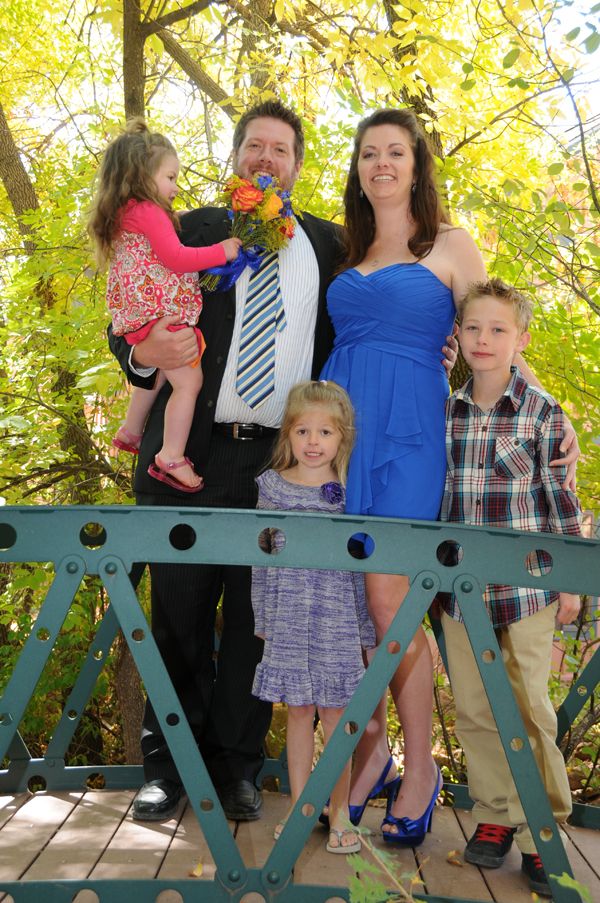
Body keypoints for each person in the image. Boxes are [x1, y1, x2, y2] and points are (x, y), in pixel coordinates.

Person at [319, 108, 580, 845]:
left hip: (412, 432)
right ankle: (373, 756)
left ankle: (423, 769)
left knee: (391, 599)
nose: (381, 164)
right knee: (353, 604)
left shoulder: (450, 243)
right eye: (369, 153)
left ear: (416, 164)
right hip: (341, 431)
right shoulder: (349, 244)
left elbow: (494, 335)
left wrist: (550, 415)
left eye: (395, 152)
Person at [436, 278, 582, 897]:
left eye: (498, 330)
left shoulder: (543, 413)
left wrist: (572, 583)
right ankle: (495, 815)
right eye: (473, 328)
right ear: (459, 336)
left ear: (520, 339)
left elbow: (562, 503)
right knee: (474, 706)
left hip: (526, 590)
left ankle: (542, 831)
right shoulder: (446, 409)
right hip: (458, 588)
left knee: (529, 709)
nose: (484, 339)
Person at [251, 380, 377, 854]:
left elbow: (361, 568)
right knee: (298, 713)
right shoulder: (271, 488)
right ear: (287, 434)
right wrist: (261, 615)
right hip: (286, 616)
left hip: (337, 617)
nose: (312, 442)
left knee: (337, 715)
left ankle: (340, 811)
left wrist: (365, 629)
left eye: (325, 432)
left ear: (342, 437)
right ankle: (302, 808)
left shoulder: (348, 492)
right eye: (302, 430)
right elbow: (260, 559)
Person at [89, 119, 242, 492]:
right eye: (170, 177)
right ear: (143, 176)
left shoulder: (125, 212)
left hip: (138, 312)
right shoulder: (150, 211)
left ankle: (130, 429)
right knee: (189, 382)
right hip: (162, 309)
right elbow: (175, 257)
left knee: (158, 371)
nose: (176, 187)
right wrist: (220, 251)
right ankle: (171, 456)